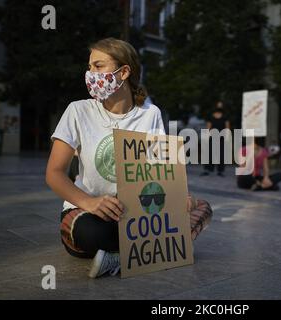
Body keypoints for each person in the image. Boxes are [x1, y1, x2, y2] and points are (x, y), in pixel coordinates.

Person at [46, 38, 213, 278]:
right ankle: (157, 251)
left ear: (123, 72)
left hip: (136, 212)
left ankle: (119, 258)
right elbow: (54, 173)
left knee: (202, 207)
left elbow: (160, 168)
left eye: (98, 66)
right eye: (90, 66)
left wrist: (180, 197)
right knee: (91, 234)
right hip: (90, 211)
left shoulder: (150, 114)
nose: (90, 73)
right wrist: (90, 202)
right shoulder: (78, 111)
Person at [201, 101, 231, 177]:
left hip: (221, 138)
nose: (219, 108)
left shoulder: (225, 116)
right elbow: (208, 127)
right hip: (212, 137)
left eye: (221, 106)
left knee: (221, 155)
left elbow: (227, 127)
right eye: (218, 106)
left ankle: (220, 171)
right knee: (209, 153)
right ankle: (207, 169)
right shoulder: (211, 116)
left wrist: (227, 138)